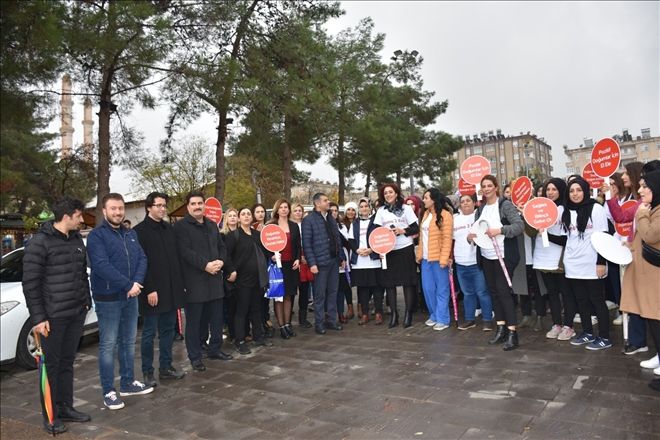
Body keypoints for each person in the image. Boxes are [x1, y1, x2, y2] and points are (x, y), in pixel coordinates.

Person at [22, 197, 92, 434]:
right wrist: (39, 318)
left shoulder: (75, 240)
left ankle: (66, 407)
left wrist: (86, 302)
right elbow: (30, 284)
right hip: (52, 318)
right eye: (79, 216)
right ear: (67, 216)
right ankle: (50, 417)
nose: (82, 220)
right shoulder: (39, 244)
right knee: (50, 367)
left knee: (66, 364)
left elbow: (82, 274)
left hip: (75, 312)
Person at [87, 193, 152, 410]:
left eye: (120, 208)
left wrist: (137, 283)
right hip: (108, 299)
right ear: (104, 211)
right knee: (107, 345)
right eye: (113, 208)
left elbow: (142, 258)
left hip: (130, 296)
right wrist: (128, 285)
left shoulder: (130, 234)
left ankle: (127, 382)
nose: (118, 212)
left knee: (127, 342)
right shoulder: (97, 236)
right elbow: (101, 265)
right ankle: (108, 390)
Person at [174, 191, 233, 373]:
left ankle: (215, 349)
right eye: (194, 204)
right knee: (195, 323)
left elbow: (221, 247)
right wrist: (205, 265)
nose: (198, 206)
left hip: (215, 279)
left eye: (200, 203)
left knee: (216, 319)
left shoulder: (211, 224)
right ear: (188, 206)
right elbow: (185, 252)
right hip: (195, 282)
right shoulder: (181, 227)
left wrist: (221, 262)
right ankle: (195, 357)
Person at [133, 192, 186, 387]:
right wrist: (150, 289)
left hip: (171, 291)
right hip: (152, 292)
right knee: (148, 334)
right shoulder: (139, 231)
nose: (162, 209)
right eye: (158, 205)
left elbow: (175, 259)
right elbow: (141, 263)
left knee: (167, 332)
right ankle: (147, 371)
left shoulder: (169, 229)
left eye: (164, 205)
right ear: (149, 207)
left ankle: (166, 367)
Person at [468, 175, 524, 351]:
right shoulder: (480, 209)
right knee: (493, 292)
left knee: (503, 292)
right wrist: (471, 237)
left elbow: (519, 226)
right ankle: (501, 329)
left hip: (504, 256)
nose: (486, 189)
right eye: (483, 186)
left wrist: (500, 230)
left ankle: (512, 333)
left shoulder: (504, 205)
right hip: (486, 256)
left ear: (496, 187)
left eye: (489, 185)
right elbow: (478, 230)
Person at [561, 178, 612, 350]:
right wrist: (542, 231)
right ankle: (588, 333)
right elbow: (565, 238)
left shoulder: (595, 208)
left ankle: (605, 337)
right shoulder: (566, 210)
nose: (575, 194)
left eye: (579, 190)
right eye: (572, 191)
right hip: (573, 263)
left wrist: (601, 262)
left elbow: (603, 236)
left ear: (585, 191)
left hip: (592, 262)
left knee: (597, 300)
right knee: (581, 300)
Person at [620, 170, 660, 390]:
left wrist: (641, 215)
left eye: (646, 186)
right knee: (652, 319)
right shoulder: (651, 209)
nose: (641, 190)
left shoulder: (651, 211)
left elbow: (652, 235)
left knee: (656, 317)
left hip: (655, 275)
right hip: (647, 273)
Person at [530, 178, 577, 341]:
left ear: (561, 190)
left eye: (554, 189)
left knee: (566, 293)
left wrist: (546, 234)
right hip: (543, 257)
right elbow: (530, 230)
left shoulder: (566, 211)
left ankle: (569, 326)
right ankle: (557, 323)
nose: (550, 192)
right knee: (552, 294)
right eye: (547, 189)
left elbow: (566, 239)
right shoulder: (540, 209)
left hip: (560, 259)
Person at [224, 207, 271, 354]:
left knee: (256, 309)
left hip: (257, 279)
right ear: (239, 218)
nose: (246, 216)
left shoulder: (258, 235)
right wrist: (231, 271)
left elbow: (266, 252)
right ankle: (240, 340)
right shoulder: (234, 236)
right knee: (242, 311)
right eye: (242, 214)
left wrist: (274, 256)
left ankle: (258, 336)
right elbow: (226, 255)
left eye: (248, 214)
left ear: (252, 218)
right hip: (242, 280)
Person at [374, 183, 420, 328]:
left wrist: (402, 230)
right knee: (390, 284)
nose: (388, 194)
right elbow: (375, 230)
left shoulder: (406, 208)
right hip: (388, 251)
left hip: (405, 249)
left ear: (396, 193)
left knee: (407, 283)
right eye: (385, 193)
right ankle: (394, 314)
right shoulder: (381, 210)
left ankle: (408, 314)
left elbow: (415, 227)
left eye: (390, 192)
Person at [302, 192, 346, 335]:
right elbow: (307, 244)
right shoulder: (309, 220)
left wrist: (341, 258)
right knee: (320, 295)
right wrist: (312, 263)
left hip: (333, 261)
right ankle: (319, 323)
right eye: (325, 200)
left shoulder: (331, 219)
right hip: (320, 263)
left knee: (333, 292)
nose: (329, 202)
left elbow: (337, 240)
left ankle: (331, 321)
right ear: (317, 203)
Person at [453, 194, 493, 331]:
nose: (465, 203)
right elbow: (451, 240)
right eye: (462, 201)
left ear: (474, 203)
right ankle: (470, 319)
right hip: (460, 262)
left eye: (468, 201)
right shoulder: (454, 220)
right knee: (467, 293)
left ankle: (487, 319)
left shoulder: (479, 217)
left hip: (476, 262)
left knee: (482, 292)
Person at [416, 188, 454, 331]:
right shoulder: (425, 214)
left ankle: (443, 319)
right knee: (428, 289)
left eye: (426, 198)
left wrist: (444, 259)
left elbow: (447, 239)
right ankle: (434, 315)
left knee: (442, 290)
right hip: (426, 259)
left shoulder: (445, 215)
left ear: (433, 199)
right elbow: (422, 238)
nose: (423, 200)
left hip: (439, 259)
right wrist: (419, 255)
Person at [267, 199, 301, 339]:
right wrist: (271, 256)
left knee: (289, 296)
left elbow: (298, 246)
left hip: (291, 265)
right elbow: (265, 246)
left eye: (286, 207)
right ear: (277, 210)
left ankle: (287, 324)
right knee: (279, 297)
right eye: (281, 207)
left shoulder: (293, 226)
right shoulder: (271, 226)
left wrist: (298, 259)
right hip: (277, 266)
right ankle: (281, 326)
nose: (284, 209)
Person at [348, 198, 384, 325]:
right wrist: (357, 250)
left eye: (366, 206)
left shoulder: (376, 222)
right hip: (359, 261)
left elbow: (380, 238)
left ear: (370, 208)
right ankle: (365, 314)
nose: (364, 208)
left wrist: (371, 250)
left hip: (373, 260)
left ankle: (379, 313)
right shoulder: (354, 224)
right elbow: (351, 241)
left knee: (377, 288)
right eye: (361, 206)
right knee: (362, 289)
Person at [329, 202, 352, 324]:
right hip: (329, 260)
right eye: (331, 210)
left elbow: (346, 242)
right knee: (331, 289)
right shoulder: (325, 226)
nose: (333, 213)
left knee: (341, 289)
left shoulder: (342, 226)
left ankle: (340, 313)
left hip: (342, 260)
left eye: (335, 210)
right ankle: (331, 314)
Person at [292, 203, 313, 327]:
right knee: (291, 290)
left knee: (304, 290)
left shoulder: (307, 225)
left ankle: (303, 317)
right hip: (294, 259)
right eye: (295, 210)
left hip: (306, 259)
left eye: (300, 210)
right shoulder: (290, 226)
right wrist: (298, 257)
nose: (298, 213)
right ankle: (288, 315)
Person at [341, 201, 358, 320]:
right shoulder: (341, 225)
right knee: (346, 285)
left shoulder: (359, 223)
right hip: (346, 257)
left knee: (359, 282)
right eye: (349, 209)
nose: (351, 212)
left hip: (358, 256)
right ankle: (350, 308)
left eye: (353, 210)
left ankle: (361, 308)